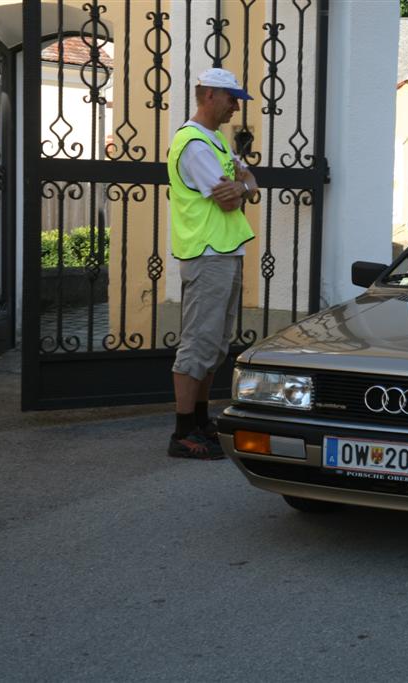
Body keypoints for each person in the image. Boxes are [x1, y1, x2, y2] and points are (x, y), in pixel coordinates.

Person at [165, 67, 258, 459]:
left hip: (223, 252)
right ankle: (183, 432)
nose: (236, 105)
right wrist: (242, 188)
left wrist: (243, 185)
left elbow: (249, 181)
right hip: (207, 254)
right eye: (231, 97)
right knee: (198, 344)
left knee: (215, 343)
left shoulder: (216, 139)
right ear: (208, 97)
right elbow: (232, 198)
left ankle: (200, 419)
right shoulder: (195, 145)